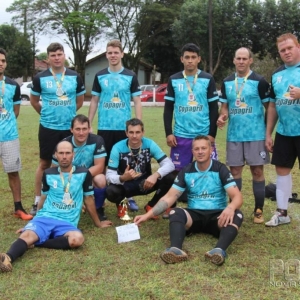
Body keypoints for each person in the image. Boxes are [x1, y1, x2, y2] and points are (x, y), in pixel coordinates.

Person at [0, 141, 112, 273]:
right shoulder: (48, 173)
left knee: (77, 240)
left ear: (73, 155)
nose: (64, 156)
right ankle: (7, 258)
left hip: (67, 222)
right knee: (26, 235)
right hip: (45, 217)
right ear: (55, 155)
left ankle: (36, 242)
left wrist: (98, 223)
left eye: (67, 153)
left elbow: (88, 199)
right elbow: (43, 198)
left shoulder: (83, 173)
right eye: (61, 153)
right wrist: (32, 222)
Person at [134, 136, 243, 266]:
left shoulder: (220, 169)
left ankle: (219, 251)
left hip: (218, 217)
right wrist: (147, 215)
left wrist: (230, 208)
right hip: (194, 216)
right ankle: (176, 250)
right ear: (192, 151)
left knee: (237, 214)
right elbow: (169, 198)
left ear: (211, 150)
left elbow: (237, 197)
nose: (200, 151)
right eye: (197, 149)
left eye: (204, 148)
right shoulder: (186, 170)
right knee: (175, 212)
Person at [30, 42, 85, 216]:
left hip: (69, 129)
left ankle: (70, 198)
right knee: (45, 163)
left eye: (59, 54)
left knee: (69, 162)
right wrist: (46, 114)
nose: (56, 58)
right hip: (48, 127)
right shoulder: (40, 78)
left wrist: (69, 115)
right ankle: (37, 200)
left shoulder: (75, 76)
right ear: (48, 58)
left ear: (64, 56)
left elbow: (80, 101)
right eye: (53, 55)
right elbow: (33, 100)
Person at [217, 47, 270, 224]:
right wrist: (222, 116)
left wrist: (268, 132)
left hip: (256, 135)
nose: (241, 61)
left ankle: (258, 209)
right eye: (238, 58)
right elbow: (224, 107)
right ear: (234, 60)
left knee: (257, 171)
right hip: (234, 136)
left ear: (250, 61)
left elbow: (269, 107)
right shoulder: (227, 82)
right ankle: (235, 210)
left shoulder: (259, 81)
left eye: (244, 58)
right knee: (235, 172)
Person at [88, 39, 142, 212]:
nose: (113, 55)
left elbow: (137, 100)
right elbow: (94, 100)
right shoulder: (100, 75)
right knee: (102, 164)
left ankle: (128, 197)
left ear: (121, 54)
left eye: (116, 52)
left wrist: (138, 124)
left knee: (125, 162)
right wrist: (89, 122)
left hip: (123, 128)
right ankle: (100, 199)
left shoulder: (130, 75)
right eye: (110, 52)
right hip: (104, 127)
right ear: (106, 55)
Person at [163, 43, 219, 202]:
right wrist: (168, 133)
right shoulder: (174, 79)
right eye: (187, 57)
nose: (190, 61)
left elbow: (214, 108)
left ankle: (208, 202)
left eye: (193, 57)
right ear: (182, 59)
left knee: (209, 171)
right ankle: (171, 205)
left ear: (199, 59)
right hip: (180, 135)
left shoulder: (207, 79)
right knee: (177, 172)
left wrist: (211, 134)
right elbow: (168, 109)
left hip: (203, 136)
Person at [106, 118, 175, 219]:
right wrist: (122, 178)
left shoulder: (149, 144)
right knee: (111, 191)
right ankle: (122, 206)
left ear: (143, 132)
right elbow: (109, 175)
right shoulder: (117, 147)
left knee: (171, 177)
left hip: (146, 183)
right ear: (126, 133)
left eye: (138, 132)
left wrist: (155, 175)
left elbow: (169, 164)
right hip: (125, 185)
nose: (134, 136)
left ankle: (151, 205)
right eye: (131, 132)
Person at [265, 33, 300, 226]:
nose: (286, 52)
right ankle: (282, 213)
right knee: (282, 171)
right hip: (285, 132)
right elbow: (272, 105)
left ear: (298, 47)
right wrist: (268, 133)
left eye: (289, 48)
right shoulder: (277, 74)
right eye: (282, 50)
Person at [52, 114, 108, 221]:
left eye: (84, 129)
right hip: (68, 179)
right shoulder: (63, 144)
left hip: (89, 177)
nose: (81, 133)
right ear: (71, 129)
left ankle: (98, 208)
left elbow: (100, 167)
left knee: (101, 179)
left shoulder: (97, 140)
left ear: (89, 129)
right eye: (78, 129)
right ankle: (69, 206)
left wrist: (80, 178)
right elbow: (54, 171)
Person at [0, 48, 32, 220]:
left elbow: (16, 111)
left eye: (3, 61)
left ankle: (18, 207)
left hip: (9, 136)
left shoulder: (13, 85)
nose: (1, 64)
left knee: (13, 172)